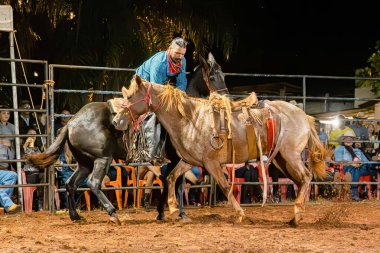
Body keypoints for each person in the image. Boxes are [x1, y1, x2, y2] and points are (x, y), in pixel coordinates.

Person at [334, 130, 377, 201]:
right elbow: (338, 160)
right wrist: (351, 163)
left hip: (361, 167)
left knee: (371, 165)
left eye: (351, 138)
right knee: (355, 169)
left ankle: (355, 193)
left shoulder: (357, 151)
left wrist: (360, 163)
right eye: (346, 138)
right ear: (343, 139)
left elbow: (366, 161)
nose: (349, 139)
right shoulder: (340, 149)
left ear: (353, 140)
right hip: (346, 167)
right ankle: (354, 194)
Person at [0, 105, 15, 170]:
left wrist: (10, 144)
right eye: (3, 113)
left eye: (8, 113)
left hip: (11, 149)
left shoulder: (13, 126)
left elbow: (18, 141)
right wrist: (2, 142)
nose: (6, 115)